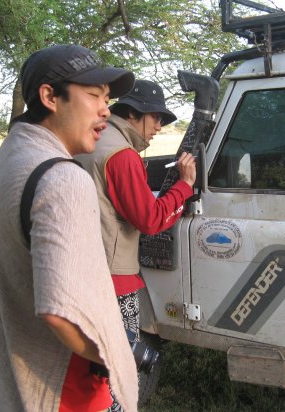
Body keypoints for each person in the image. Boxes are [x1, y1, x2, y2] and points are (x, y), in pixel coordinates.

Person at [0, 44, 139, 412]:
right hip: (58, 391)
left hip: (1, 385)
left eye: (107, 98)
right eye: (94, 95)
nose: (105, 111)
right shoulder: (62, 178)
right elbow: (59, 312)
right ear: (49, 96)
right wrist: (115, 353)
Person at [75, 79, 196, 411]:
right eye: (156, 117)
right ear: (133, 113)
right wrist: (185, 186)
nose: (159, 126)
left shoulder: (91, 141)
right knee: (119, 365)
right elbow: (150, 219)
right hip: (114, 278)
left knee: (90, 362)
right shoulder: (122, 155)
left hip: (83, 267)